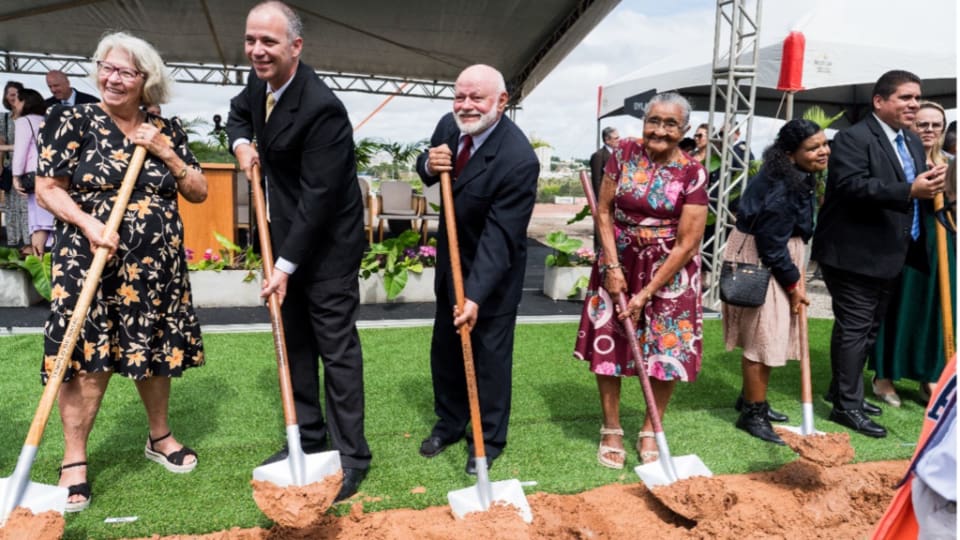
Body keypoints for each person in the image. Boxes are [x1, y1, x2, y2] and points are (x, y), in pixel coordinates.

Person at [35, 31, 207, 513]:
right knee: (87, 358)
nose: (112, 77)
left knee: (151, 351)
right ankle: (74, 461)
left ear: (145, 80)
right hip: (90, 257)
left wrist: (165, 151)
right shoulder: (74, 118)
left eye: (125, 71)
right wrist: (89, 223)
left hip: (155, 267)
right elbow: (47, 187)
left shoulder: (165, 128)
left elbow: (197, 191)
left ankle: (160, 437)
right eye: (106, 67)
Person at [226, 0, 371, 501]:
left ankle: (352, 455)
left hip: (327, 243)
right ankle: (307, 442)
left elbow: (319, 200)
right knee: (296, 341)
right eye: (251, 40)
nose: (257, 50)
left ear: (295, 46)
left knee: (335, 348)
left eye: (268, 41)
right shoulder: (259, 85)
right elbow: (238, 114)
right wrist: (242, 143)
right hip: (286, 229)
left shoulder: (322, 107)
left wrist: (285, 265)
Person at [415, 64, 539, 475]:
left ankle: (486, 438)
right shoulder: (446, 127)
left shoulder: (518, 159)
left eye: (477, 98)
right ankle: (449, 423)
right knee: (446, 349)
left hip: (494, 274)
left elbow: (500, 238)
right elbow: (427, 171)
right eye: (459, 97)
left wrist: (475, 296)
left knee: (488, 356)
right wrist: (429, 166)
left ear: (502, 102)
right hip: (450, 263)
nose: (466, 106)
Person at [573, 92, 708, 469]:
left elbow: (688, 241)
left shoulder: (692, 171)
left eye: (671, 124)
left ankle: (652, 427)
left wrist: (647, 294)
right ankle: (611, 427)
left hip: (672, 270)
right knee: (610, 342)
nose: (660, 130)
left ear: (683, 130)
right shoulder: (623, 154)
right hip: (619, 258)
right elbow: (603, 211)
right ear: (644, 122)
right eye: (654, 121)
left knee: (668, 348)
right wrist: (612, 269)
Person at [812, 70, 947, 438]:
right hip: (853, 253)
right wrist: (909, 189)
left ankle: (843, 391)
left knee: (868, 330)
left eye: (917, 98)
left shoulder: (912, 141)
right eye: (906, 98)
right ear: (879, 101)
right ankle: (847, 406)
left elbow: (917, 190)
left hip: (893, 252)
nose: (914, 105)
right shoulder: (852, 139)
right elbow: (853, 187)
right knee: (855, 330)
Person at [721, 119, 828, 445]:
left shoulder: (791, 175)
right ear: (790, 153)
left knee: (763, 332)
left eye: (824, 144)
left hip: (771, 253)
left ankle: (753, 398)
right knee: (763, 337)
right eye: (813, 148)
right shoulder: (784, 185)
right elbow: (771, 242)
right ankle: (752, 414)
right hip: (766, 259)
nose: (823, 151)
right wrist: (794, 284)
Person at [870, 100, 955, 406]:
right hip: (902, 244)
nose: (930, 130)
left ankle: (930, 376)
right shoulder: (899, 157)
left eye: (936, 125)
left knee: (938, 310)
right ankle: (884, 376)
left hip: (943, 246)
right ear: (910, 125)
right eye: (923, 124)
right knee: (896, 308)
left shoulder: (951, 162)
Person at [10, 88, 55, 256]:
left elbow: (21, 151)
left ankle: (39, 259)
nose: (15, 105)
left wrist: (16, 176)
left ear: (25, 102)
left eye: (17, 101)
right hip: (50, 173)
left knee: (38, 222)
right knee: (46, 219)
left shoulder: (24, 122)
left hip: (32, 174)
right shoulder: (48, 119)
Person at [2, 81, 29, 251]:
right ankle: (14, 243)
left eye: (16, 94)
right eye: (10, 94)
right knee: (11, 206)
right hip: (10, 168)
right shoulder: (3, 118)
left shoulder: (30, 118)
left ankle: (30, 243)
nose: (13, 97)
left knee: (27, 205)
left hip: (28, 168)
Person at [590, 127, 619, 250]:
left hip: (616, 197)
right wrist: (599, 200)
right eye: (616, 138)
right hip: (603, 198)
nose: (619, 140)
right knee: (601, 224)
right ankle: (599, 251)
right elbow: (596, 180)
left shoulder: (618, 154)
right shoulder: (599, 156)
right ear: (607, 140)